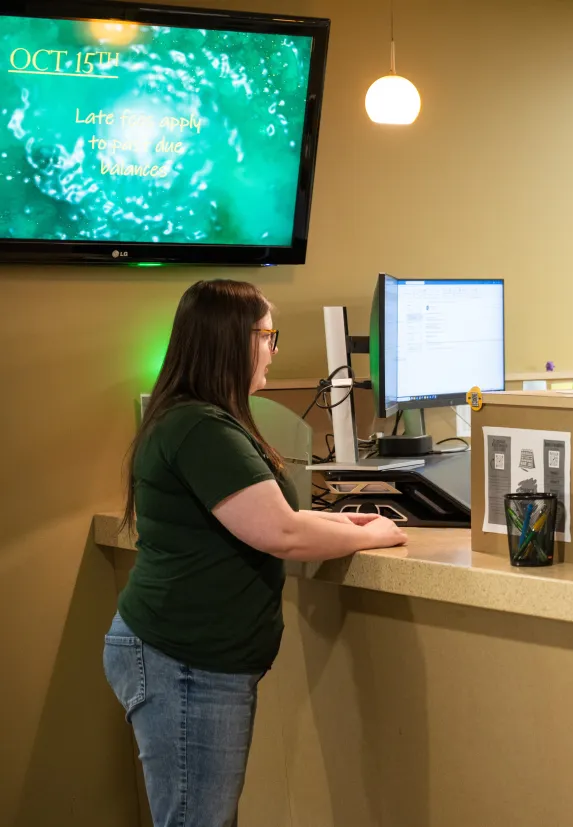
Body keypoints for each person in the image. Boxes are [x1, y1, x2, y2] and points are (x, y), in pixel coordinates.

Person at [103, 279, 407, 827]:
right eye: (269, 335)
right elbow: (281, 535)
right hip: (183, 660)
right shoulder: (199, 427)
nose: (272, 349)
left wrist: (339, 520)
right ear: (232, 340)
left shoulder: (201, 418)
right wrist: (373, 533)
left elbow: (268, 517)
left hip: (193, 656)